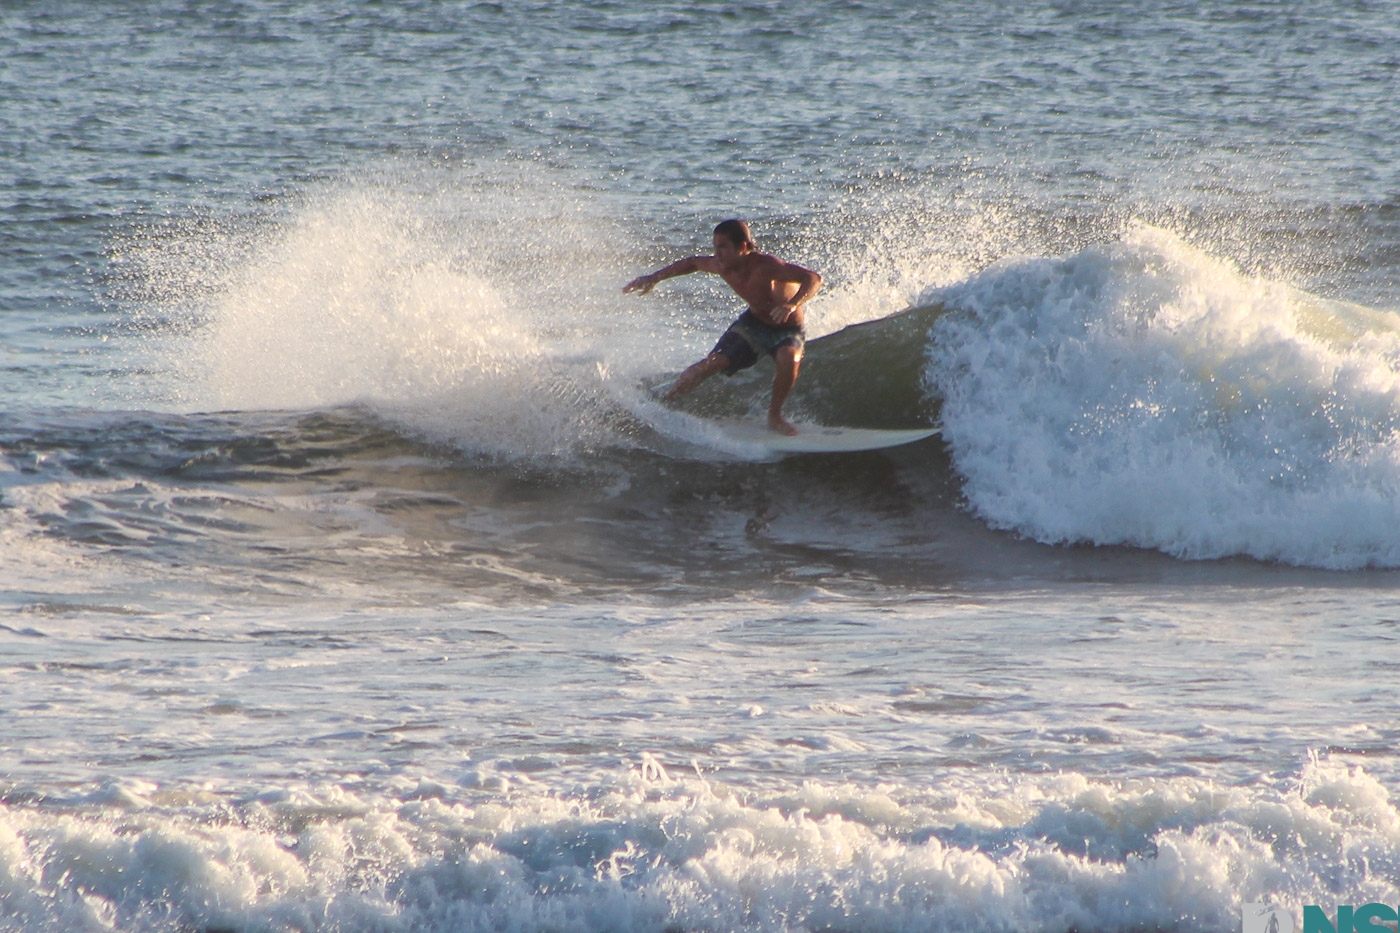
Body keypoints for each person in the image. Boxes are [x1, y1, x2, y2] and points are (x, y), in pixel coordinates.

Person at [623, 219, 823, 436]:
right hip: (753, 324)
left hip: (787, 329)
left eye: (723, 247)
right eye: (715, 247)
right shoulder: (721, 266)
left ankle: (775, 416)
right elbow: (692, 263)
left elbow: (813, 278)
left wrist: (792, 304)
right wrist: (653, 278)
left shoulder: (767, 267)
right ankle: (663, 402)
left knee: (789, 358)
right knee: (711, 364)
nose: (717, 254)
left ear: (743, 247)